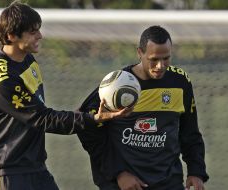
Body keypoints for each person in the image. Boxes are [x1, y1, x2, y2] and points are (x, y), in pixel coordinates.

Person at [0, 1, 132, 190]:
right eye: (33, 32)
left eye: (39, 30)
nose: (40, 36)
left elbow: (39, 112)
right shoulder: (3, 78)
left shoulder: (27, 59)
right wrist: (92, 118)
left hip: (35, 167)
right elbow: (42, 118)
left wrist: (78, 117)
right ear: (11, 36)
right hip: (9, 171)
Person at [77, 25, 209, 190]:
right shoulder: (117, 85)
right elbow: (84, 125)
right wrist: (118, 173)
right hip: (125, 185)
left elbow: (189, 131)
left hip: (168, 183)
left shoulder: (180, 82)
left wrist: (196, 171)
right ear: (140, 53)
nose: (160, 65)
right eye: (154, 59)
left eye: (166, 58)